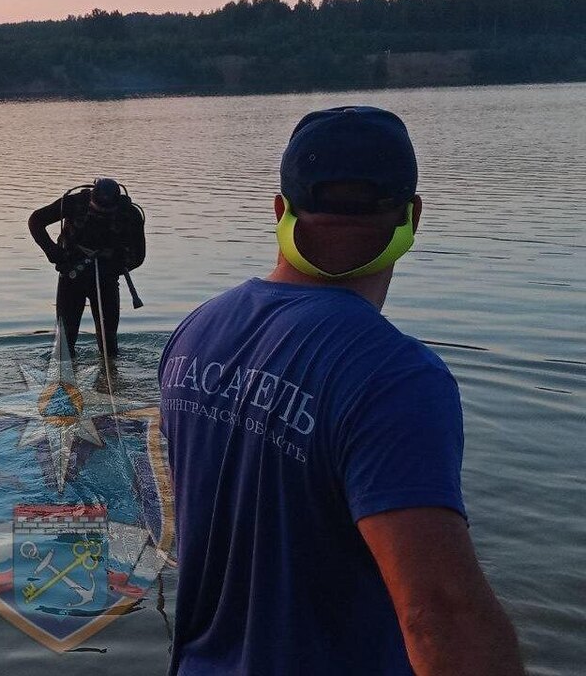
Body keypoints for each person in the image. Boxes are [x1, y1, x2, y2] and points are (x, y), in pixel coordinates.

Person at [159, 107, 523, 676]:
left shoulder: (195, 332)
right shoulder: (395, 376)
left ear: (279, 210)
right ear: (413, 216)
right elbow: (439, 618)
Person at [28, 178, 145, 359]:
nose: (101, 216)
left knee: (109, 342)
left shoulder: (130, 214)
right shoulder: (73, 203)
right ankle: (65, 371)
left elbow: (138, 256)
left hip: (106, 278)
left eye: (106, 213)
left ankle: (109, 369)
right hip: (72, 274)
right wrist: (54, 252)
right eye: (97, 211)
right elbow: (36, 221)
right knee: (65, 342)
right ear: (91, 199)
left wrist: (115, 265)